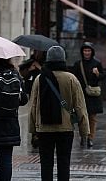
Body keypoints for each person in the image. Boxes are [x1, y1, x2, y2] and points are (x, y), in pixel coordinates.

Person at [29, 46, 90, 181]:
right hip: (65, 128)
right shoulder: (71, 79)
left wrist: (33, 128)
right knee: (64, 163)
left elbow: (33, 105)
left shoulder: (40, 78)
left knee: (46, 164)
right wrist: (84, 130)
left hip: (44, 128)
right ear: (63, 59)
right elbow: (80, 105)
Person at [71, 42, 105, 148]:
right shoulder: (78, 64)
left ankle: (90, 137)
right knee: (81, 116)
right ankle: (83, 136)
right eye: (85, 50)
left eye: (89, 51)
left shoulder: (97, 63)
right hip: (81, 94)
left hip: (93, 94)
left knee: (92, 118)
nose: (87, 53)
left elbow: (103, 76)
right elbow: (74, 77)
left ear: (92, 52)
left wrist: (98, 74)